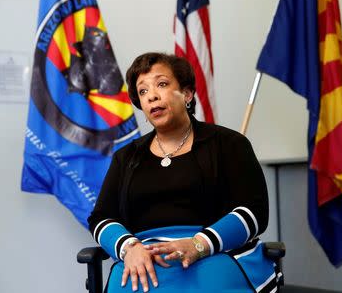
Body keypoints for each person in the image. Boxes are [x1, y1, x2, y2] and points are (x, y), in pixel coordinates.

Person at [88, 52, 278, 292]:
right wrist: (129, 248)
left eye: (162, 84)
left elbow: (253, 212)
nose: (152, 96)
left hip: (215, 253)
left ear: (187, 94)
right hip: (144, 257)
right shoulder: (126, 157)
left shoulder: (229, 144)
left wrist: (199, 245)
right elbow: (101, 217)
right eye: (143, 91)